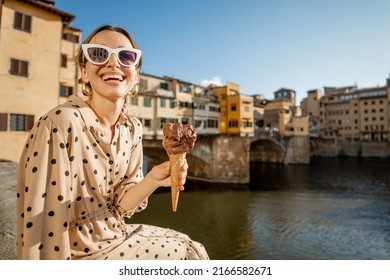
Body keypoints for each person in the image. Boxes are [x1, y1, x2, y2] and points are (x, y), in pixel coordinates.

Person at [16, 25, 209, 260]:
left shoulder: (132, 127)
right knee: (191, 256)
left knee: (189, 244)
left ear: (135, 75)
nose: (113, 63)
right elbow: (43, 224)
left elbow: (121, 207)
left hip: (116, 235)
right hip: (77, 254)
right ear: (84, 71)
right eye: (99, 53)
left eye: (126, 56)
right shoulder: (60, 123)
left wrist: (153, 179)